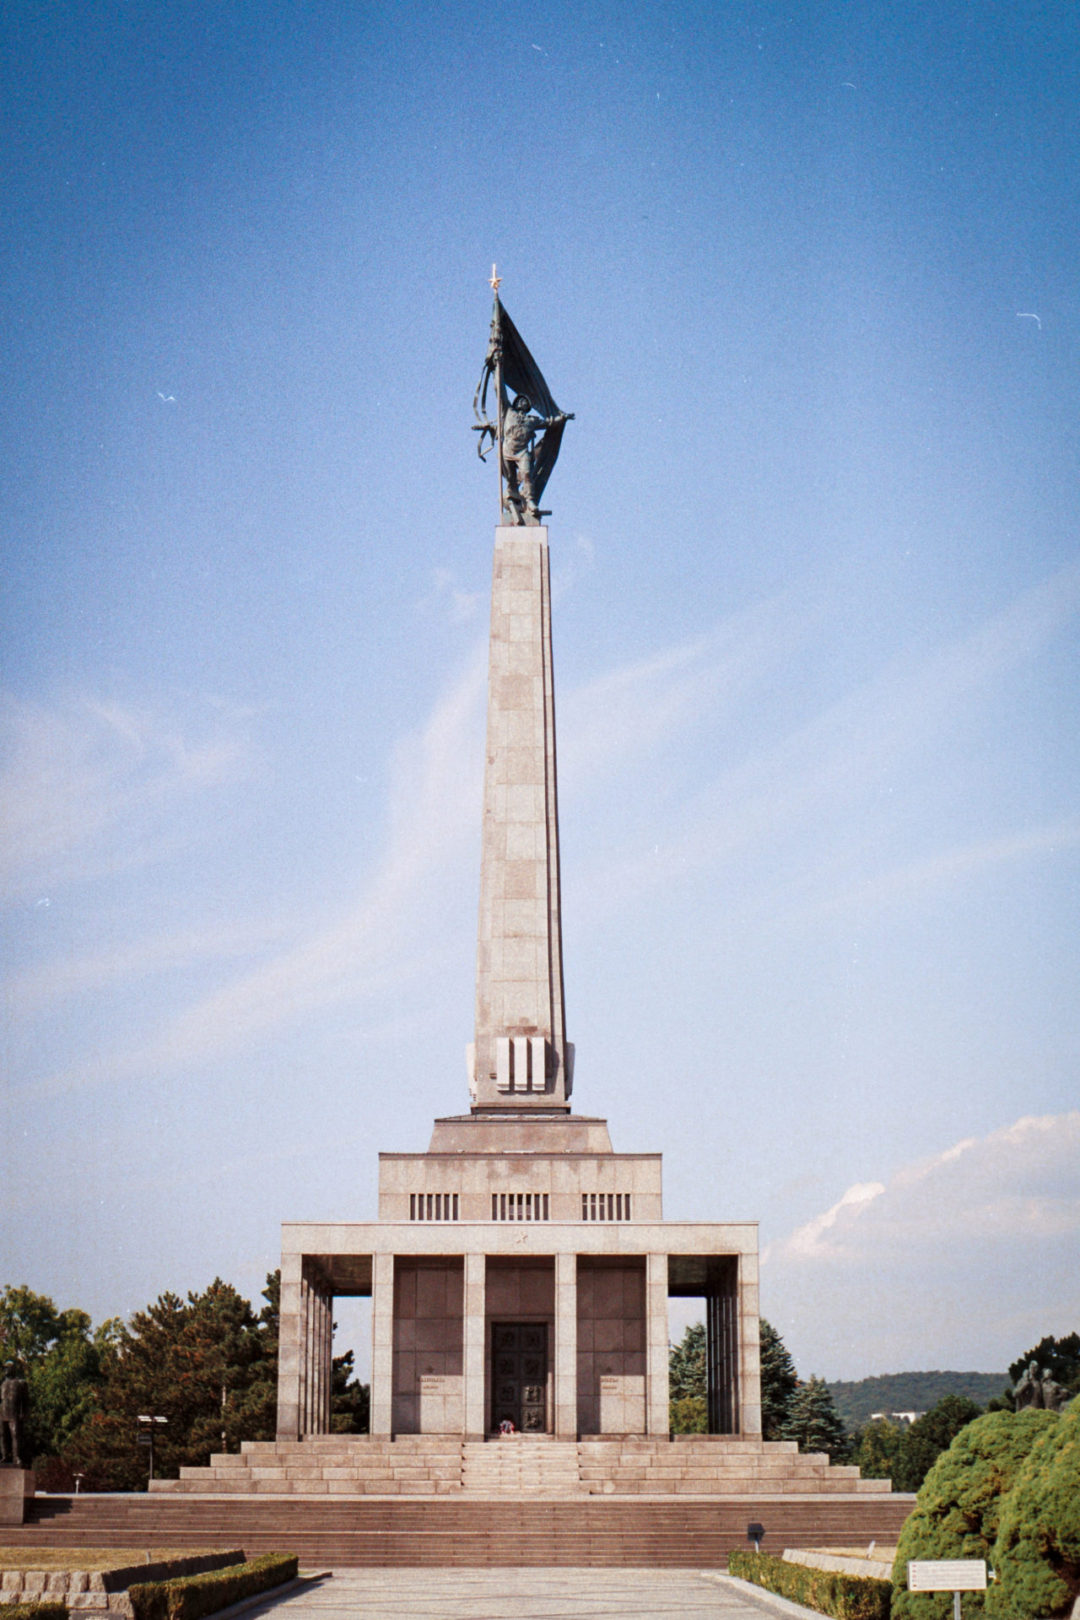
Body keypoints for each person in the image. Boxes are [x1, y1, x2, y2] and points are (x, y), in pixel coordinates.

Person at [501, 395, 570, 523]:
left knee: (527, 474)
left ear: (528, 407)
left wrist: (562, 418)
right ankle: (513, 496)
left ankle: (530, 500)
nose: (522, 402)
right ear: (515, 403)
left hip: (522, 452)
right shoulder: (508, 411)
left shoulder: (532, 420)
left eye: (525, 401)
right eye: (520, 400)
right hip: (507, 451)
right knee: (511, 478)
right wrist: (497, 376)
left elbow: (549, 422)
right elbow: (500, 393)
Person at [0, 1362, 30, 1467]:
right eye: (4, 1369)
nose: (5, 1371)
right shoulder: (2, 1384)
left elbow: (25, 1401)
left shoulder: (21, 1383)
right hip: (3, 1412)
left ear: (13, 1369)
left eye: (7, 1368)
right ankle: (5, 1456)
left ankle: (16, 1457)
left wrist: (24, 1413)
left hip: (14, 1413)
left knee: (15, 1435)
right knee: (2, 1435)